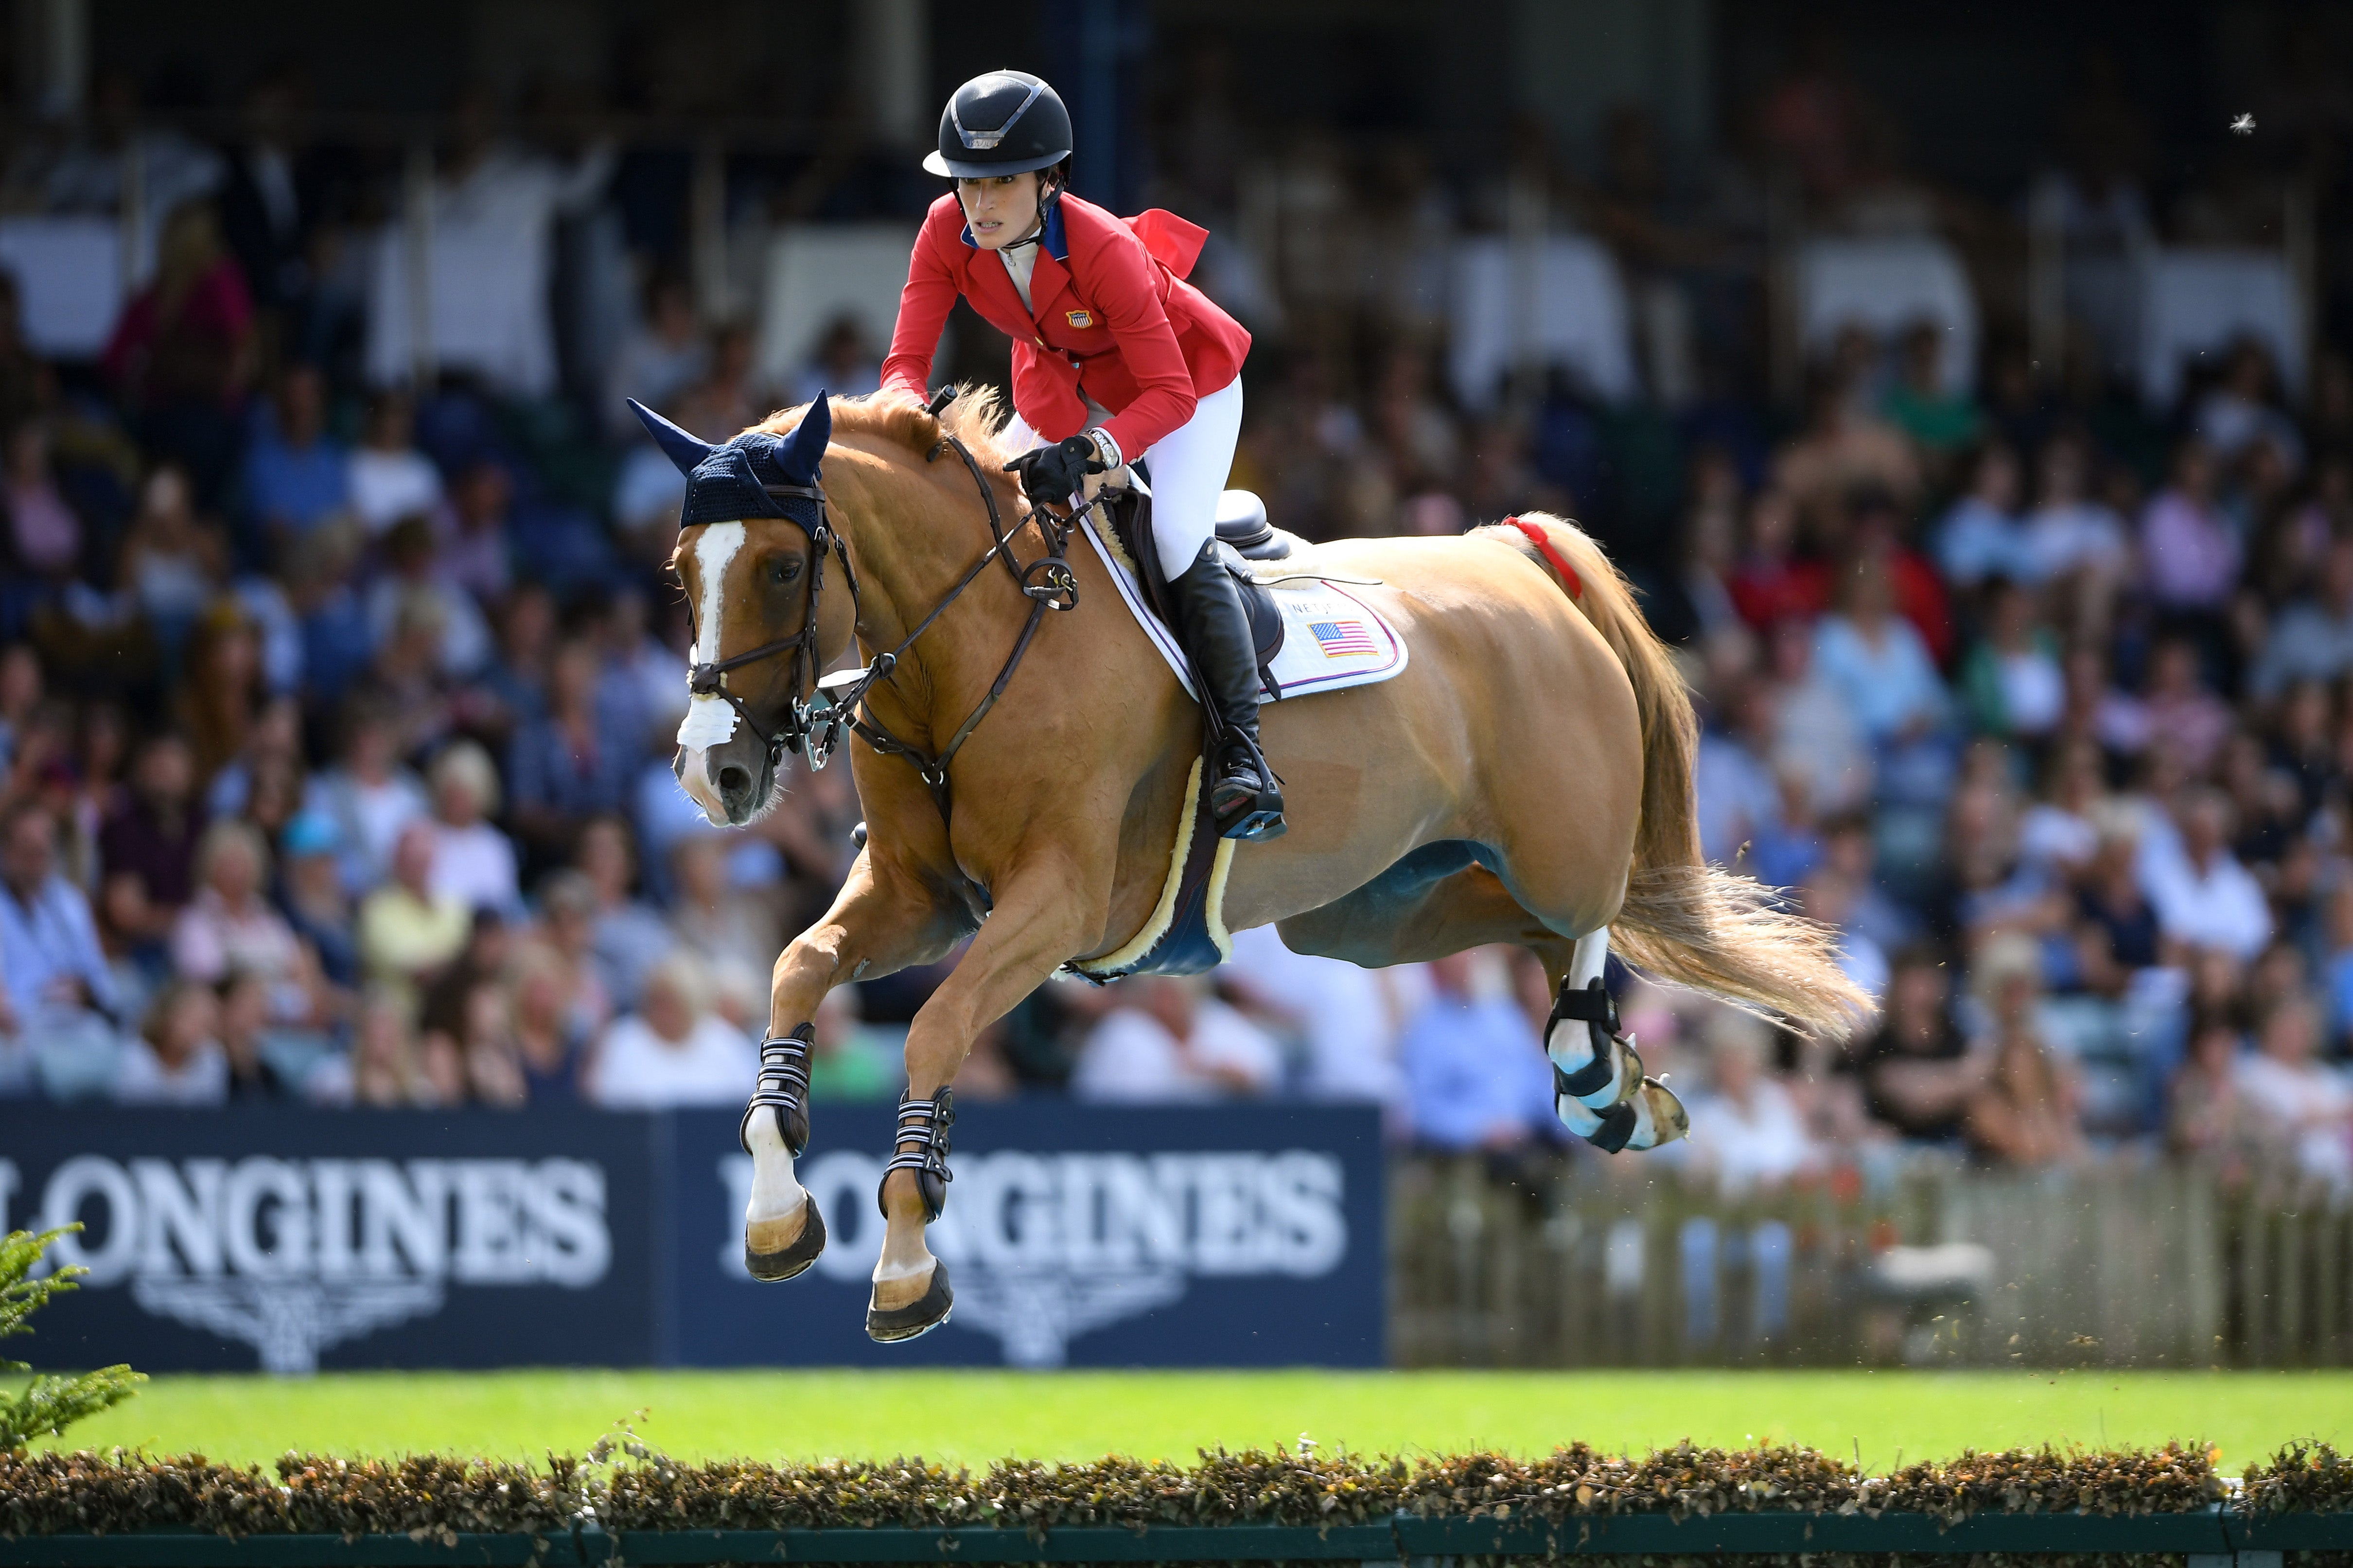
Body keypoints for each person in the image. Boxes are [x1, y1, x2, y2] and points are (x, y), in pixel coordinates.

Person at [876, 71, 1277, 840]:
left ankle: (1244, 756)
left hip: (1187, 386)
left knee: (1173, 539)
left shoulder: (1105, 248)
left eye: (1000, 182)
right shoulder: (943, 229)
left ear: (1047, 179)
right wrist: (899, 413)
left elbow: (1167, 394)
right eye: (968, 183)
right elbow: (905, 362)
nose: (980, 204)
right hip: (1066, 384)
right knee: (987, 522)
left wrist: (1097, 450)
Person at [586, 950, 758, 1108]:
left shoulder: (728, 1043)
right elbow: (604, 1105)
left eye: (674, 1005)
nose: (665, 1013)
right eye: (659, 1002)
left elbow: (750, 1103)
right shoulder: (620, 1042)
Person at [1073, 974, 1281, 1102]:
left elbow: (1265, 1077)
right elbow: (1091, 1092)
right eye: (1159, 993)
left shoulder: (1221, 1022)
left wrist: (1219, 1073)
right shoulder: (1123, 1029)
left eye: (1173, 994)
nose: (1166, 1003)